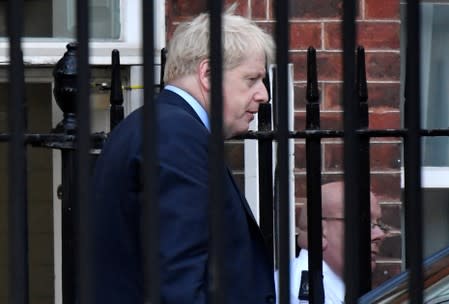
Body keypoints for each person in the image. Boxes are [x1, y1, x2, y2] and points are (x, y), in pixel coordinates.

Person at [89, 6, 276, 304]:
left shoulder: (153, 127)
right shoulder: (176, 136)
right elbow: (178, 281)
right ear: (208, 74)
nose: (264, 94)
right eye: (251, 79)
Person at [276, 181, 388, 303]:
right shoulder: (304, 295)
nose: (380, 234)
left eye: (379, 224)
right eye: (364, 222)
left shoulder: (324, 287)